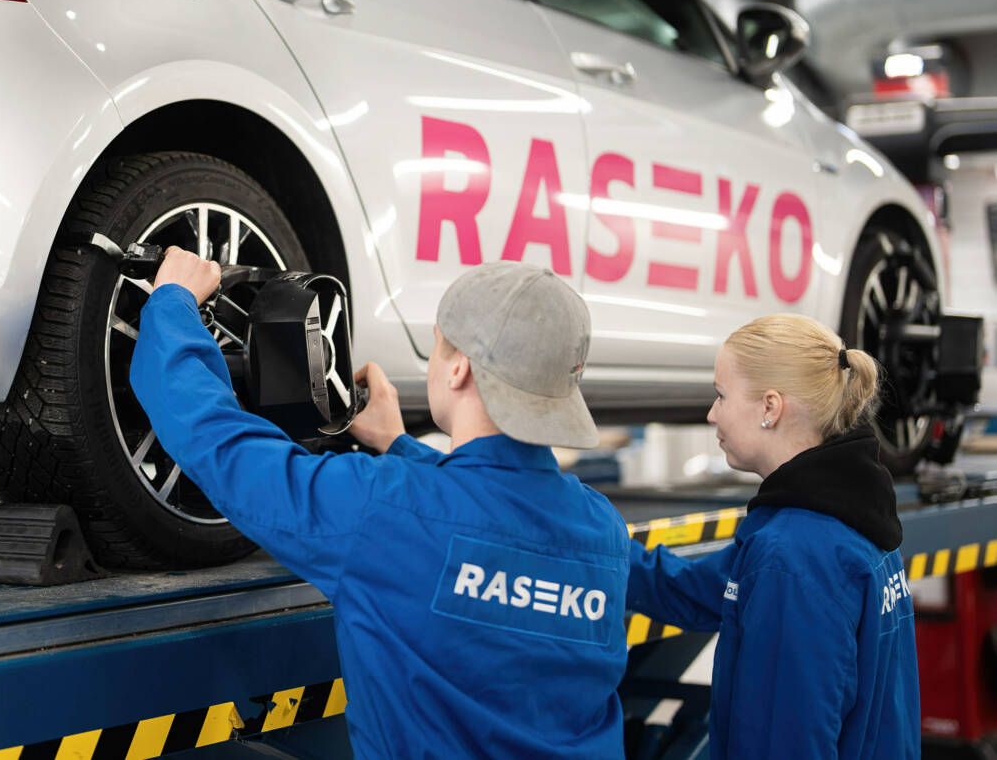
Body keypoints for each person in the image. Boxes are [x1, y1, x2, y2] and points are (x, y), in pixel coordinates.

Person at [130, 251, 631, 759]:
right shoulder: (602, 529)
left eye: (438, 346)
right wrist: (398, 444)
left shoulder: (382, 509)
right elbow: (484, 514)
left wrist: (173, 304)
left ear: (457, 367)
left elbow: (224, 451)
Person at [626, 314, 919, 759]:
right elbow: (700, 591)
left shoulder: (792, 557)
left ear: (770, 407)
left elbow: (784, 744)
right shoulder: (849, 519)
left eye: (721, 396)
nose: (712, 414)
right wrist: (596, 545)